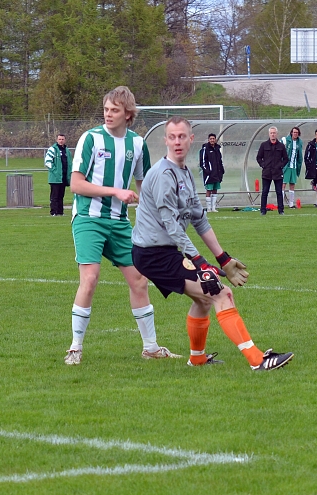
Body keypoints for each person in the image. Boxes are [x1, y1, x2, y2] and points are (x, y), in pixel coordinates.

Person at [131, 116, 294, 371]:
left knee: (204, 299)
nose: (177, 142)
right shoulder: (164, 174)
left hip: (163, 252)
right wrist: (200, 262)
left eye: (182, 136)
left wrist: (224, 260)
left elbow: (200, 220)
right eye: (172, 137)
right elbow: (171, 225)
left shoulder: (183, 172)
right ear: (165, 140)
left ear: (190, 139)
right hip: (153, 254)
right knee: (220, 292)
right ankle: (257, 361)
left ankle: (197, 358)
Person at [64, 86, 179, 365]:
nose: (108, 114)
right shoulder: (90, 138)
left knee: (140, 280)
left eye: (114, 110)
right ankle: (75, 348)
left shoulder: (137, 144)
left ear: (128, 114)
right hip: (89, 218)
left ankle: (151, 347)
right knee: (90, 279)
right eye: (105, 109)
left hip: (119, 223)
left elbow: (144, 186)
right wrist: (115, 192)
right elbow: (76, 184)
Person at [256, 127, 286, 215]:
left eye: (274, 133)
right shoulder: (264, 145)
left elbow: (285, 158)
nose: (273, 134)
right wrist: (263, 165)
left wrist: (281, 165)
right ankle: (263, 210)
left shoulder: (281, 146)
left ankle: (281, 210)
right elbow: (258, 157)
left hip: (277, 172)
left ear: (277, 134)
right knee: (265, 192)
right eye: (271, 133)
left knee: (279, 192)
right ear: (269, 134)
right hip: (267, 172)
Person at [44, 133, 71, 216]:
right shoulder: (52, 149)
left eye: (62, 139)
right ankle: (53, 212)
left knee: (61, 195)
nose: (61, 141)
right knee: (54, 196)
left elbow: (69, 163)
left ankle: (60, 212)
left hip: (63, 177)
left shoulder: (67, 151)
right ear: (57, 140)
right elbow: (47, 162)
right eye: (59, 139)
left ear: (65, 140)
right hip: (55, 178)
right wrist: (55, 171)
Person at [199, 133, 224, 213]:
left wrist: (222, 170)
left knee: (215, 190)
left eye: (213, 139)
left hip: (217, 173)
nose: (212, 140)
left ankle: (213, 207)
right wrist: (208, 171)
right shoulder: (205, 149)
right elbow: (202, 162)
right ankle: (208, 208)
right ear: (208, 140)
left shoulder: (217, 149)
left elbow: (220, 161)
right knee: (209, 190)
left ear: (215, 139)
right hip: (209, 174)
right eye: (211, 139)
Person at [283, 127, 303, 208]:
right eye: (294, 132)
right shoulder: (286, 140)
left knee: (292, 185)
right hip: (286, 166)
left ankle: (291, 203)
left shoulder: (299, 142)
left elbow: (299, 156)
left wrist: (299, 166)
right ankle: (281, 203)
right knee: (283, 184)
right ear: (291, 133)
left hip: (294, 167)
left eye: (297, 132)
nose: (295, 134)